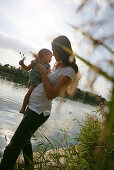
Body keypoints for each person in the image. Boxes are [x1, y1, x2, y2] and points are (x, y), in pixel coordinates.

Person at [0, 35, 79, 170]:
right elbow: (44, 83)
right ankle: (29, 167)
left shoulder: (69, 71)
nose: (53, 53)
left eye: (54, 50)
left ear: (61, 50)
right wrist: (34, 83)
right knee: (25, 141)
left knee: (12, 147)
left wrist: (43, 74)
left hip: (39, 112)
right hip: (32, 107)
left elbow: (51, 94)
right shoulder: (57, 66)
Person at [19, 48, 52, 114]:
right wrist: (22, 64)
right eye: (50, 57)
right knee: (29, 93)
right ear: (44, 55)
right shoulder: (35, 62)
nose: (51, 59)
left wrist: (44, 71)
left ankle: (29, 106)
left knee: (30, 94)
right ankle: (23, 108)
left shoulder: (48, 65)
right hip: (33, 82)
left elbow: (50, 72)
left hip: (39, 82)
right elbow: (27, 68)